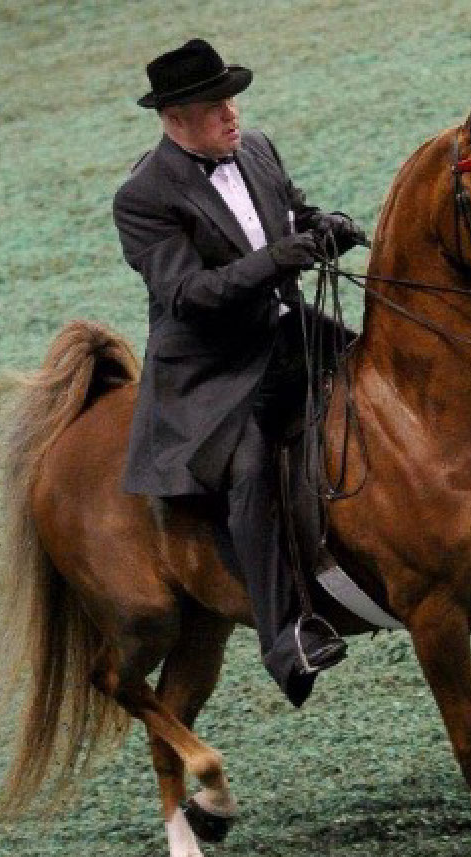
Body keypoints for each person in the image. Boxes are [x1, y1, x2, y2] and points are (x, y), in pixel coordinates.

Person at [112, 39, 369, 706]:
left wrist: (325, 224)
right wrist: (284, 257)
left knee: (378, 371)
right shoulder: (141, 197)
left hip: (283, 328)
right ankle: (286, 636)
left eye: (231, 98)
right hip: (210, 366)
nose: (231, 112)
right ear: (173, 119)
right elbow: (189, 295)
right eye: (214, 104)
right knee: (250, 462)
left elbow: (293, 212)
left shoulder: (256, 148)